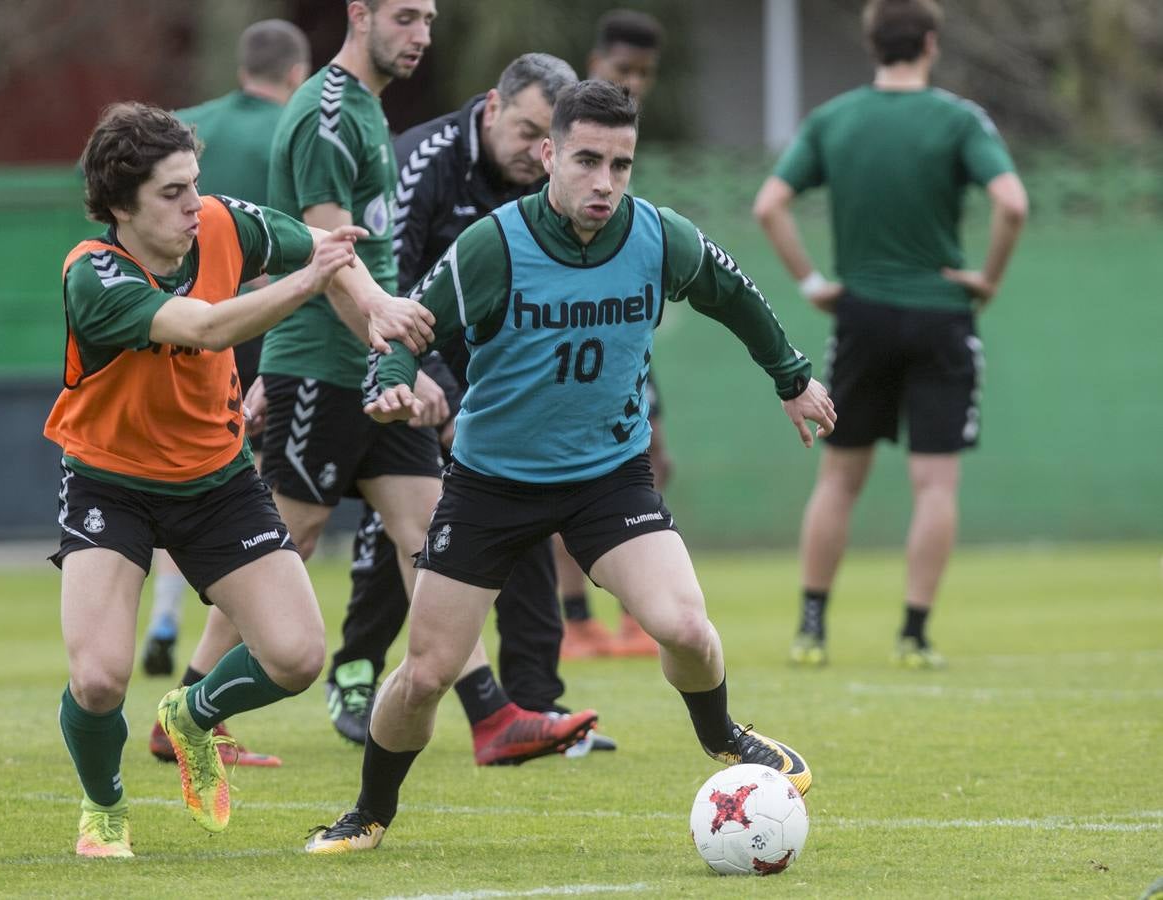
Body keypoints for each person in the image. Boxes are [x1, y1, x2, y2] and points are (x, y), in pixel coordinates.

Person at [305, 79, 834, 854]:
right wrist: (388, 385)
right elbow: (407, 328)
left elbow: (732, 293)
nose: (604, 182)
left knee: (686, 626)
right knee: (425, 675)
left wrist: (793, 378)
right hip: (490, 484)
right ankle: (369, 812)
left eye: (620, 164)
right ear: (548, 155)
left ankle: (722, 734)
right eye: (586, 160)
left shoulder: (657, 235)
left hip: (607, 480)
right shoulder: (495, 243)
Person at [46, 100, 430, 858]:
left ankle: (191, 713)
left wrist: (376, 304)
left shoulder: (221, 222)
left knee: (295, 657)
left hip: (215, 480)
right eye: (171, 192)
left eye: (195, 183)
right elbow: (205, 326)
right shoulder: (93, 275)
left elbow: (327, 245)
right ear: (121, 206)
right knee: (97, 681)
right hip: (109, 482)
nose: (195, 205)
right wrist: (310, 284)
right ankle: (105, 807)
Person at [321, 53, 607, 764]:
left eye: (551, 139)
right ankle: (355, 672)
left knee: (532, 515)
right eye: (525, 130)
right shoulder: (422, 164)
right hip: (400, 359)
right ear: (490, 106)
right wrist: (427, 378)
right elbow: (392, 279)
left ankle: (538, 701)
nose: (534, 151)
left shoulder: (558, 182)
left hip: (501, 384)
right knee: (413, 528)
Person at [753, 0, 1027, 669]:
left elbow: (769, 205)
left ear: (872, 43)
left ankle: (812, 629)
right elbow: (1012, 203)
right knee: (934, 485)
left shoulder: (833, 119)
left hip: (862, 315)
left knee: (840, 479)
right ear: (930, 43)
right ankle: (913, 634)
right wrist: (985, 279)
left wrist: (815, 283)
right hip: (942, 315)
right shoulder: (960, 120)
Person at [139, 18, 312, 771]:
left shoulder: (189, 129)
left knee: (200, 495)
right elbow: (284, 248)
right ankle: (193, 706)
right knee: (277, 522)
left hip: (163, 342)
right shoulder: (298, 129)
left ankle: (172, 632)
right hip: (258, 345)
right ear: (296, 72)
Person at [558, 7, 669, 660]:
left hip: (626, 327)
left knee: (649, 454)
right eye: (624, 69)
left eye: (644, 73)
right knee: (563, 467)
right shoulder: (575, 125)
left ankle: (633, 614)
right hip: (568, 323)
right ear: (597, 63)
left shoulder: (626, 136)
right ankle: (575, 619)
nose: (635, 82)